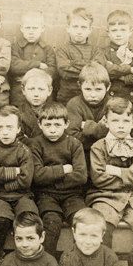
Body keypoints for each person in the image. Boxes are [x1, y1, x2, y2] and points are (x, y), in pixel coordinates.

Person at [85, 97, 133, 248]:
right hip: (105, 197)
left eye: (126, 121)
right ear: (106, 122)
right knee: (103, 227)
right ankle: (105, 260)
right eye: (115, 121)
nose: (121, 126)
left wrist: (116, 171)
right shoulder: (98, 147)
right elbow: (99, 178)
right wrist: (130, 172)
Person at [0, 105, 37, 266]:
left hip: (22, 195)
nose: (5, 132)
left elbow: (26, 180)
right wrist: (15, 171)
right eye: (0, 127)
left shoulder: (24, 150)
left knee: (29, 218)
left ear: (19, 128)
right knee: (1, 219)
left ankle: (28, 260)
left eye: (10, 127)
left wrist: (2, 174)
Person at [29, 102, 87, 256]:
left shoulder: (74, 144)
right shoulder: (36, 144)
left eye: (57, 125)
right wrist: (63, 169)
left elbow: (81, 176)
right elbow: (37, 176)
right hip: (46, 196)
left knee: (81, 220)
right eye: (47, 125)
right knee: (51, 221)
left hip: (72, 195)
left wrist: (50, 177)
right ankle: (48, 262)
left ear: (66, 124)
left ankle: (78, 259)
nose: (52, 130)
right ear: (40, 125)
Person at [56, 8, 105, 105]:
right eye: (75, 27)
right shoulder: (62, 49)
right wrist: (89, 65)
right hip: (67, 96)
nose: (79, 31)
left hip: (90, 97)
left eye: (83, 27)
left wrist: (72, 63)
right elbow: (64, 71)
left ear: (90, 30)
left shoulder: (96, 50)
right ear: (68, 28)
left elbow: (98, 69)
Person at [66, 62, 111, 166]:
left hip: (108, 155)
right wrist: (101, 128)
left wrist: (86, 126)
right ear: (80, 85)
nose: (93, 95)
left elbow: (117, 132)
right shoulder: (74, 104)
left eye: (98, 89)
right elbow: (72, 136)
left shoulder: (112, 104)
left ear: (108, 87)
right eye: (88, 89)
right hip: (81, 155)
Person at [9, 11, 57, 106]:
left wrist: (29, 76)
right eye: (28, 28)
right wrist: (38, 65)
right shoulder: (15, 47)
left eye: (35, 28)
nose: (31, 32)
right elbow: (15, 66)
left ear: (42, 28)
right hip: (20, 93)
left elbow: (53, 70)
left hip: (42, 93)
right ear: (21, 28)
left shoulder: (47, 49)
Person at [100, 10, 133, 100]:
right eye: (114, 30)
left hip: (132, 99)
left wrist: (116, 74)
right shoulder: (102, 53)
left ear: (131, 31)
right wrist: (130, 70)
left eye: (123, 30)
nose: (118, 34)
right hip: (109, 99)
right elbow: (102, 74)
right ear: (108, 33)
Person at [19, 68, 54, 140]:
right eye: (31, 89)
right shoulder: (18, 113)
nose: (36, 94)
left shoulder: (55, 111)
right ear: (23, 90)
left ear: (49, 91)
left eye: (41, 89)